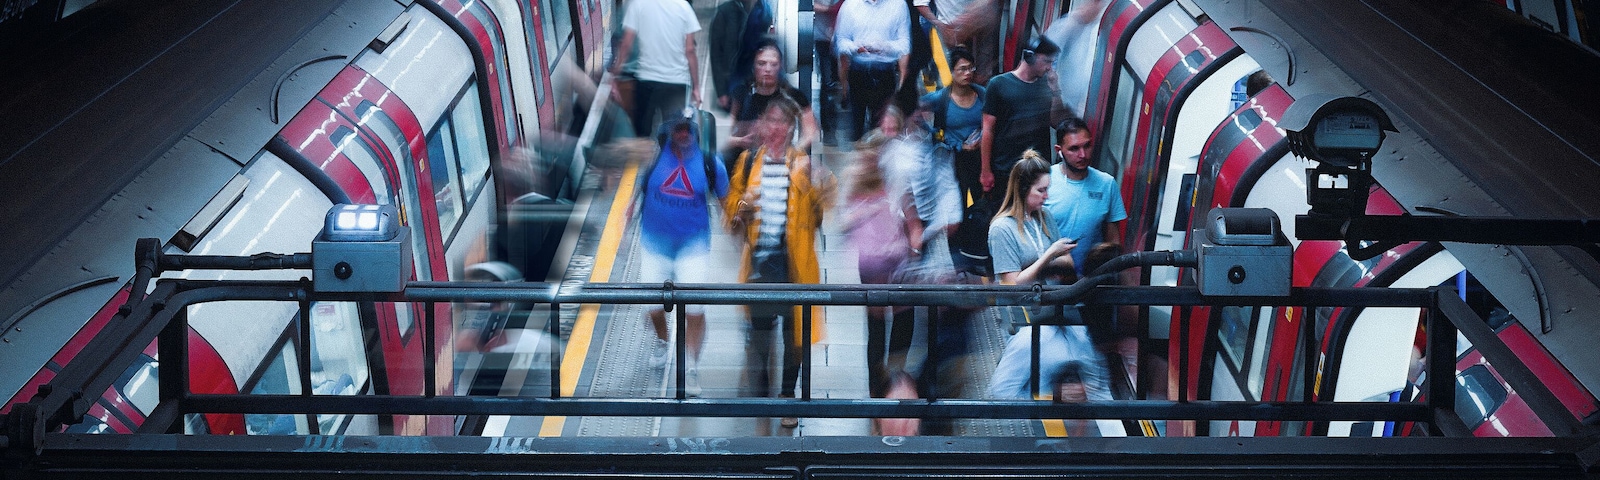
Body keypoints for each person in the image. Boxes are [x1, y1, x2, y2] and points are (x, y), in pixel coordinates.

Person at [724, 96, 834, 428]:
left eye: (782, 123)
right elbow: (731, 204)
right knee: (759, 334)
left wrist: (815, 177)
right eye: (770, 121)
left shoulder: (801, 162)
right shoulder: (747, 162)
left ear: (790, 129)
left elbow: (826, 203)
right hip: (759, 263)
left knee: (793, 335)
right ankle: (761, 395)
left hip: (794, 264)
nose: (775, 128)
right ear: (761, 126)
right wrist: (741, 206)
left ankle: (787, 396)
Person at [984, 151, 1111, 401]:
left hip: (1057, 307)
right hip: (1028, 317)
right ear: (1022, 189)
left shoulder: (1044, 217)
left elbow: (1067, 263)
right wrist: (1048, 256)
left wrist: (1052, 259)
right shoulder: (1001, 229)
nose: (1047, 196)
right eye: (1041, 190)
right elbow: (1011, 284)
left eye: (1047, 189)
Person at [630, 111, 730, 396]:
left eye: (687, 129)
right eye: (678, 130)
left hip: (693, 247)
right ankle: (663, 341)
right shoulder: (655, 157)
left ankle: (690, 367)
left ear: (694, 131)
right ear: (670, 132)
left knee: (695, 309)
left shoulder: (711, 164)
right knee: (652, 305)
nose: (683, 134)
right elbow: (640, 190)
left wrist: (738, 226)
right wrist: (628, 212)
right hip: (654, 244)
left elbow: (726, 200)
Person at [841, 131, 918, 399]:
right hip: (874, 266)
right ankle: (879, 388)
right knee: (878, 326)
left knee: (900, 320)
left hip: (897, 264)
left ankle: (892, 382)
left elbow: (913, 221)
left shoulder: (897, 183)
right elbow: (845, 222)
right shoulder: (858, 183)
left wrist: (913, 249)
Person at [980, 37, 1060, 200]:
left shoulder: (1047, 84)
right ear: (1030, 57)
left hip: (1037, 170)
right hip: (1006, 169)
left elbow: (1056, 121)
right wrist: (986, 170)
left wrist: (1056, 91)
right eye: (1046, 61)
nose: (1049, 68)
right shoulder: (998, 85)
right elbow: (988, 130)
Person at [1042, 118, 1126, 274]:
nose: (1082, 155)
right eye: (1074, 149)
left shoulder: (1107, 184)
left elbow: (1113, 241)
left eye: (1087, 146)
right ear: (1058, 150)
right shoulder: (1043, 181)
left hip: (1089, 283)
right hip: (1048, 283)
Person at [610, 0, 703, 137]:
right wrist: (696, 87)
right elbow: (689, 50)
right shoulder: (684, 6)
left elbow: (626, 45)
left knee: (642, 135)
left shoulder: (637, 4)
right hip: (676, 82)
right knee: (675, 134)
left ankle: (645, 155)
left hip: (647, 80)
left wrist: (614, 75)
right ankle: (669, 155)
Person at [833, 0, 911, 142]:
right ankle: (859, 160)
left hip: (885, 73)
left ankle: (880, 161)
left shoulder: (898, 5)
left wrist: (885, 46)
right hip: (858, 72)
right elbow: (841, 41)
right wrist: (855, 47)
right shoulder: (850, 5)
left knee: (882, 130)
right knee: (857, 128)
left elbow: (905, 43)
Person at [727, 38, 819, 155]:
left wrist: (794, 153)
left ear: (780, 66)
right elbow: (724, 133)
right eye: (762, 63)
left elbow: (811, 131)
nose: (768, 69)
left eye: (773, 64)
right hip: (746, 160)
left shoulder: (794, 96)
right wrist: (739, 141)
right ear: (753, 66)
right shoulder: (741, 94)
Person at [710, 0, 756, 111]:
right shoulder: (725, 12)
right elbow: (716, 54)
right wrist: (721, 91)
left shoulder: (764, 11)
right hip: (737, 84)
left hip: (764, 83)